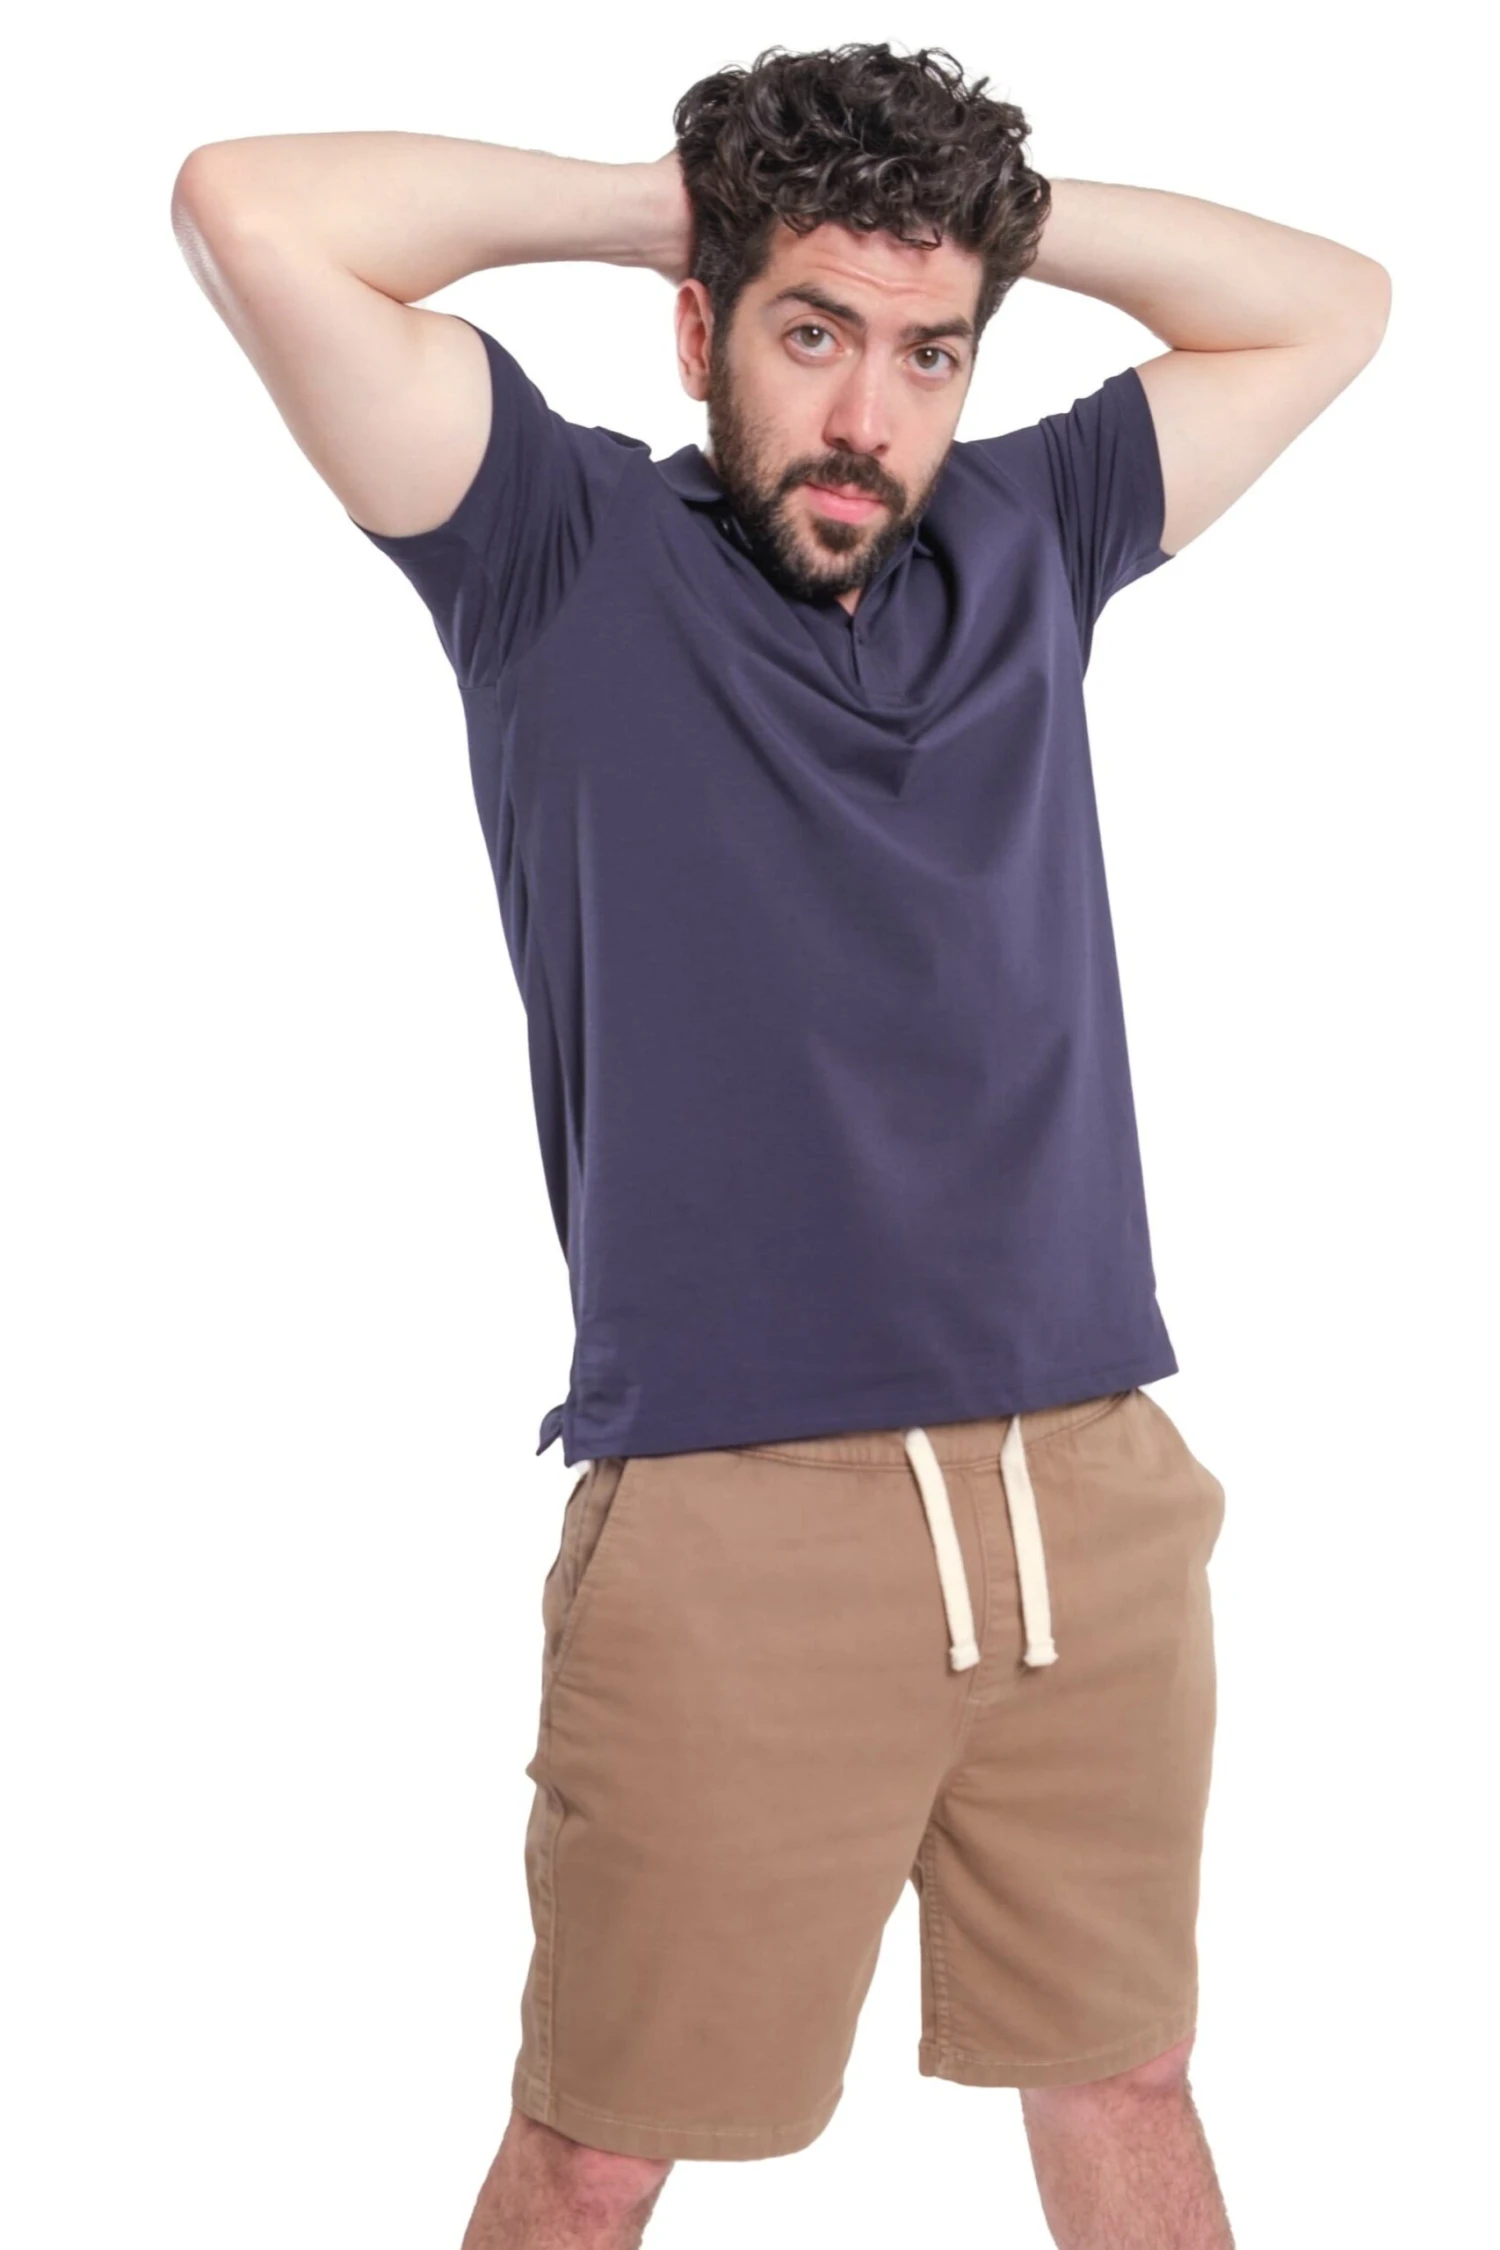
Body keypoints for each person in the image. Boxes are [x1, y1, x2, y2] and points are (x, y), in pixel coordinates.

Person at [171, 40, 1389, 2249]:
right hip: (741, 1511)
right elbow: (249, 210)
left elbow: (1332, 302)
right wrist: (673, 201)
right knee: (599, 2142)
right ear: (699, 326)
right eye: (811, 331)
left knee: (1127, 2072)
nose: (867, 417)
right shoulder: (555, 551)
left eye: (929, 355)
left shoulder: (1027, 532)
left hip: (1089, 1491)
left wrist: (975, 235)